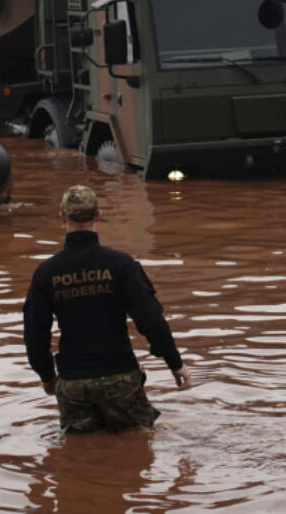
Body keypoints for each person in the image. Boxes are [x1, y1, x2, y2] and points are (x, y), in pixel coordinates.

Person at [23, 185, 191, 433]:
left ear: (62, 218)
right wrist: (175, 363)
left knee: (78, 456)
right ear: (98, 216)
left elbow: (35, 335)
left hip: (73, 383)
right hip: (120, 378)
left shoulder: (46, 273)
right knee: (140, 444)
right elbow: (150, 320)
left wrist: (47, 377)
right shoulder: (121, 265)